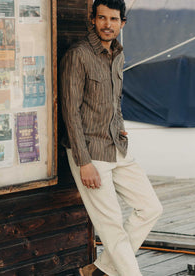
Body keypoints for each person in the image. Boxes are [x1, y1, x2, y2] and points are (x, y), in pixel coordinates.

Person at [60, 0, 163, 275]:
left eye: (113, 19)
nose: (107, 24)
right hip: (90, 152)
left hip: (117, 146)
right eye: (102, 18)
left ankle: (99, 269)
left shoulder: (118, 53)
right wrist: (84, 162)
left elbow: (114, 100)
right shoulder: (78, 55)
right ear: (92, 20)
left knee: (151, 208)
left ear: (122, 23)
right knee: (112, 226)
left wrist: (118, 126)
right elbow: (70, 111)